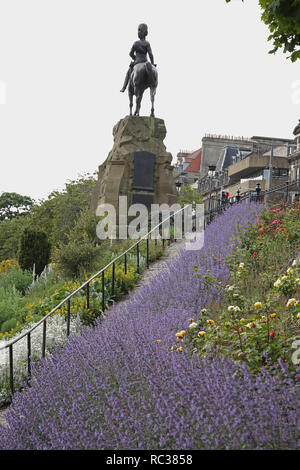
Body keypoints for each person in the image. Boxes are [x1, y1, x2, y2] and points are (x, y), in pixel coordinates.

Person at [120, 23, 155, 93]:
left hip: (137, 62)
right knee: (150, 68)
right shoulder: (147, 43)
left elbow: (130, 53)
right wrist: (152, 63)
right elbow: (151, 54)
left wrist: (135, 58)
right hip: (145, 61)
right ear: (146, 33)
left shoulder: (136, 43)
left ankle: (124, 87)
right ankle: (152, 81)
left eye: (139, 30)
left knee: (128, 72)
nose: (138, 32)